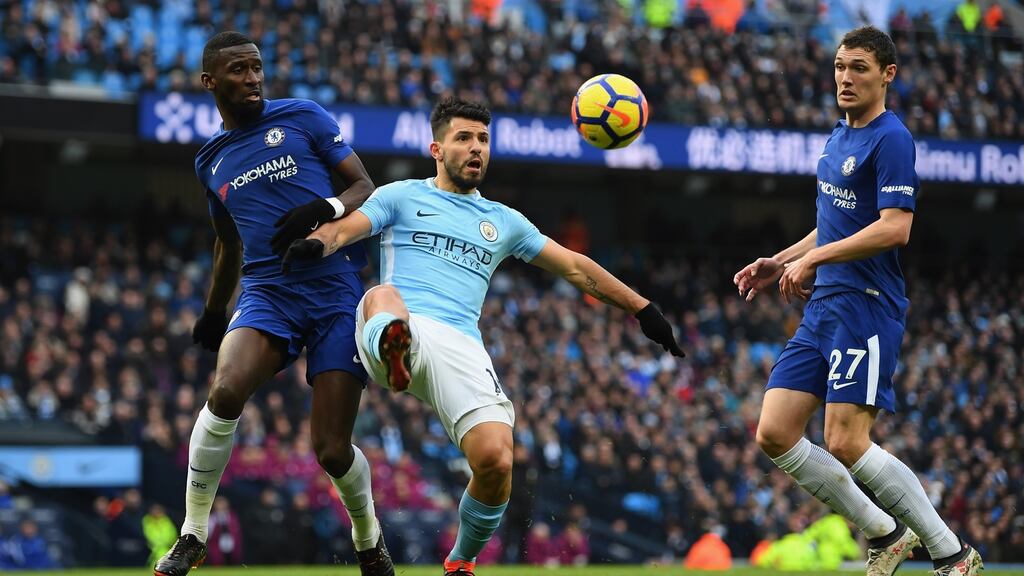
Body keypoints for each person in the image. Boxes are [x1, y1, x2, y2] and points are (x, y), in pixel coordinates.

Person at [283, 96, 685, 576]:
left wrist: (643, 308)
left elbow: (576, 268)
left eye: (484, 140)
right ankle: (394, 347)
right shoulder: (400, 195)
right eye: (464, 138)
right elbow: (344, 231)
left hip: (460, 344)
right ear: (437, 148)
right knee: (381, 295)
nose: (477, 149)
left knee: (496, 461)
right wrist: (314, 243)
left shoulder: (505, 221)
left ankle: (461, 562)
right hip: (400, 319)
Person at [733, 26, 982, 576]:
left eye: (859, 68)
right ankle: (886, 533)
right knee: (774, 431)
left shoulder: (892, 138)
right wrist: (784, 259)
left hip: (867, 303)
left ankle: (952, 553)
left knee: (845, 438)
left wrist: (815, 262)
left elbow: (895, 229)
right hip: (824, 304)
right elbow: (832, 225)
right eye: (841, 66)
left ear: (887, 74)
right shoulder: (836, 137)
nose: (845, 77)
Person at [155, 31, 392, 576]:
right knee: (225, 390)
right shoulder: (209, 160)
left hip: (334, 289)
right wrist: (215, 311)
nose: (253, 78)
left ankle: (368, 537)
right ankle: (192, 533)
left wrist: (322, 208)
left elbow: (364, 186)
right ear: (210, 82)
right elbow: (227, 243)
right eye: (238, 70)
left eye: (257, 67)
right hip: (267, 293)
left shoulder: (303, 116)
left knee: (332, 451)